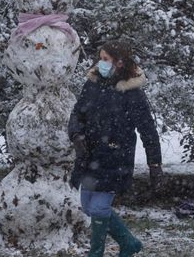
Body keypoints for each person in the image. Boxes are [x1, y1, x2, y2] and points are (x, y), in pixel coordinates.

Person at [68, 39, 163, 257]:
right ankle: (129, 243)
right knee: (89, 206)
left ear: (119, 63)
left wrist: (154, 163)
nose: (100, 63)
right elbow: (77, 113)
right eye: (100, 59)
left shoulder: (132, 93)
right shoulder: (92, 84)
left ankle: (96, 253)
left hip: (115, 156)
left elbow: (148, 129)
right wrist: (76, 134)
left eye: (105, 59)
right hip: (89, 155)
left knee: (100, 208)